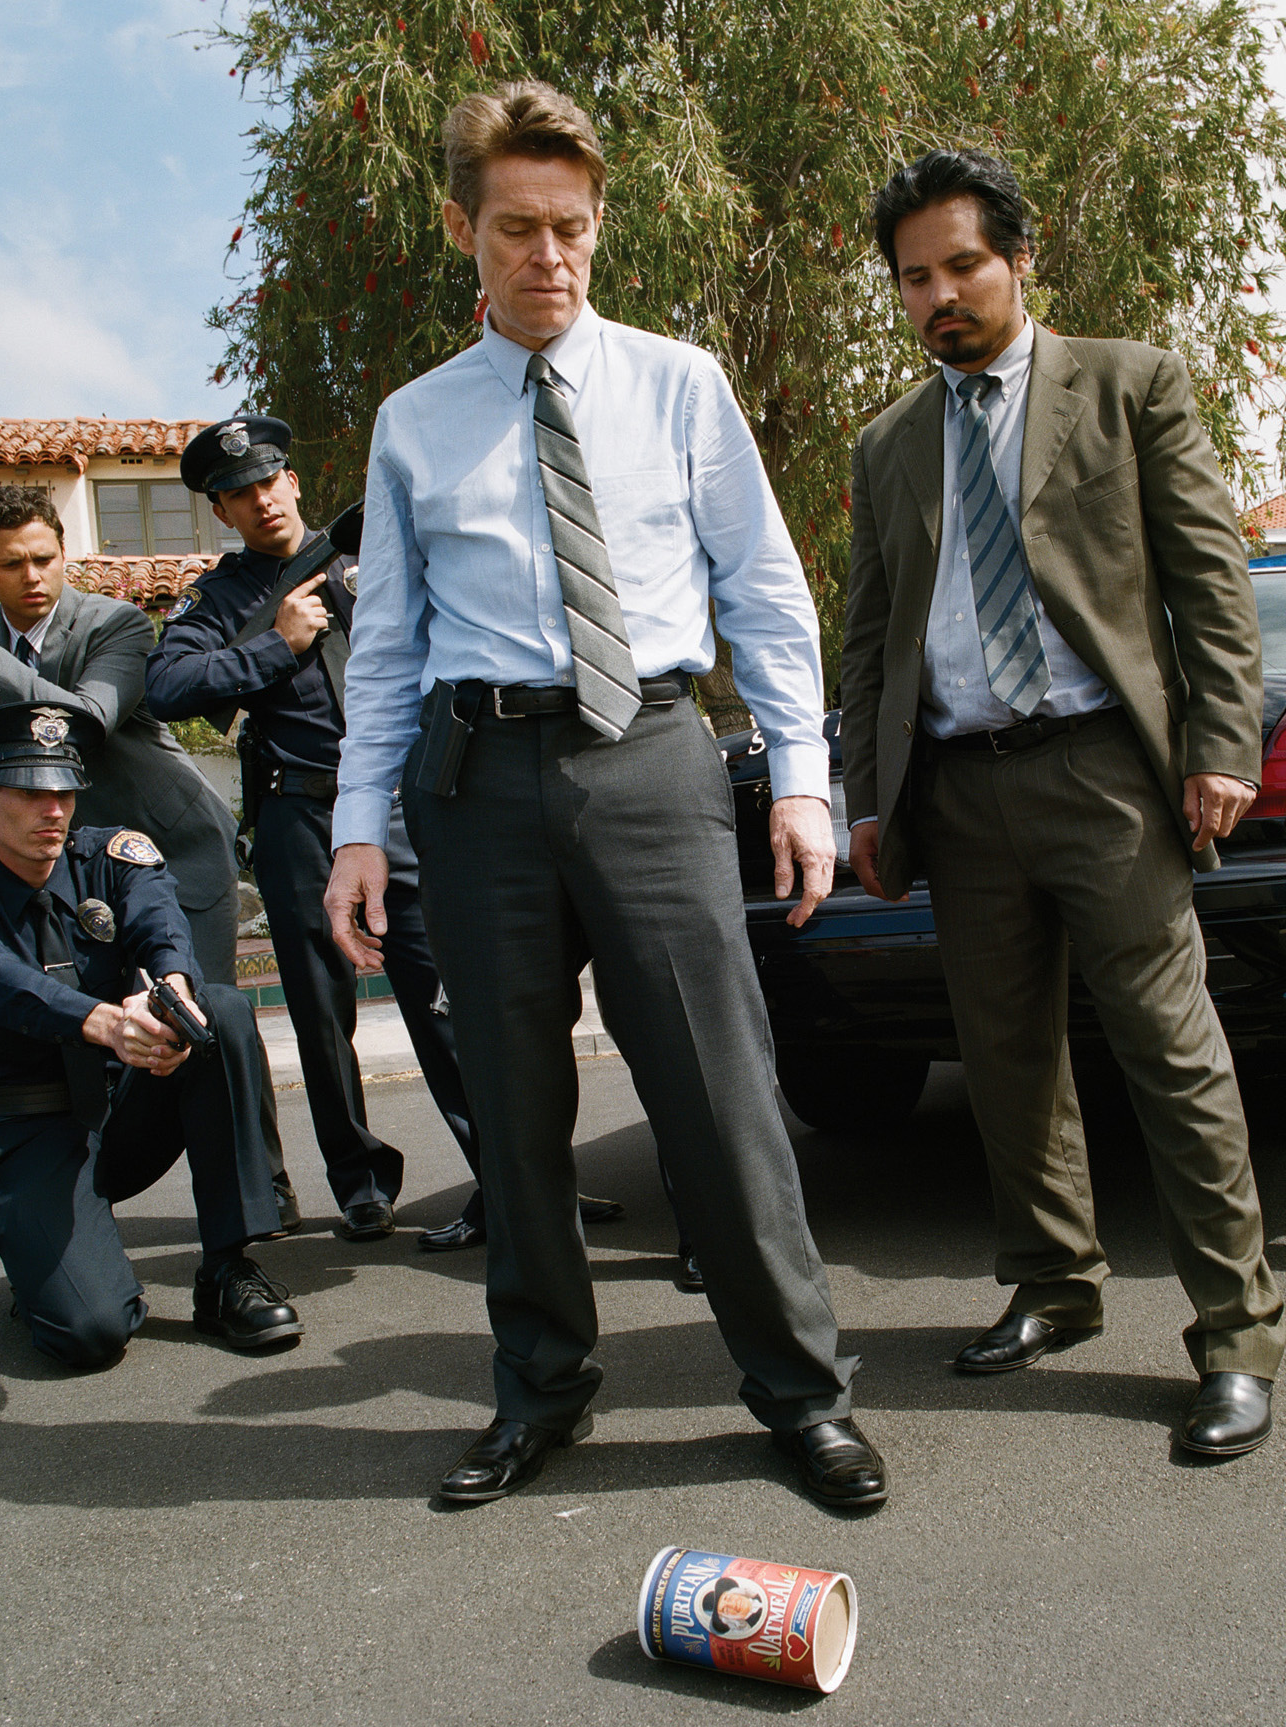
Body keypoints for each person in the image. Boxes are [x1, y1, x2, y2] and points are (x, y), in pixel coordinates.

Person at [324, 81, 886, 1508]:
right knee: (512, 1115)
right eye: (516, 227)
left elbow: (765, 589)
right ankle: (539, 1390)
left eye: (570, 227)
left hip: (651, 756)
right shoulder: (413, 422)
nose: (547, 255)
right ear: (463, 228)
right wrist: (357, 827)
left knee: (719, 1093)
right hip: (476, 783)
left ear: (596, 225)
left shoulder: (677, 384)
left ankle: (800, 1392)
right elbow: (384, 645)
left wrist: (802, 781)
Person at [841, 148, 1284, 1459]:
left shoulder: (1129, 383)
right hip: (958, 786)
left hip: (1102, 776)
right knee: (1005, 1061)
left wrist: (1221, 743)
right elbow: (868, 637)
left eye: (962, 264)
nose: (939, 294)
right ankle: (1052, 1282)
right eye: (913, 276)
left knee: (1171, 1052)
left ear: (1019, 257)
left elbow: (1209, 581)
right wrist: (869, 796)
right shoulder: (889, 444)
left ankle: (1235, 1333)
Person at [144, 416, 624, 1247]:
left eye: (269, 481)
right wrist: (275, 647)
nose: (260, 501)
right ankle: (361, 1184)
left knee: (446, 999)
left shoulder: (369, 558)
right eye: (238, 494)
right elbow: (167, 684)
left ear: (292, 481)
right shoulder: (218, 599)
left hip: (404, 809)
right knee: (320, 1011)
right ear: (220, 512)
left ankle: (512, 1184)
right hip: (301, 815)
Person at [0, 484, 265, 1258]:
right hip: (66, 866)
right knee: (55, 1026)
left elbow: (85, 722)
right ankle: (42, 1196)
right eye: (12, 565)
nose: (33, 576)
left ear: (64, 552)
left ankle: (256, 1191)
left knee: (204, 1020)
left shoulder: (114, 623)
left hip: (169, 851)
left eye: (45, 558)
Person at [0, 700, 304, 1369]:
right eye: (29, 793)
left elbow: (161, 926)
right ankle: (47, 1262)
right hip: (30, 1132)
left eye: (64, 792)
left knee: (217, 1010)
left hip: (124, 1115)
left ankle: (228, 1268)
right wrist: (105, 1022)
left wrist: (168, 993)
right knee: (89, 1334)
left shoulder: (112, 857)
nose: (53, 810)